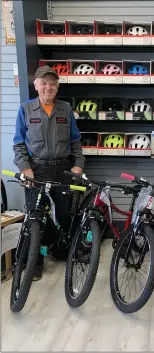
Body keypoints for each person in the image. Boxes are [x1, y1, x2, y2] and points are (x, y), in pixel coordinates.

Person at [13, 66, 85, 281]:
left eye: (52, 84)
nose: (48, 87)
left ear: (57, 86)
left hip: (63, 170)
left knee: (63, 214)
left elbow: (75, 141)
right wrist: (25, 169)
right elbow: (18, 144)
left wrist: (78, 165)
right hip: (37, 170)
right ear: (36, 85)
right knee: (36, 217)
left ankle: (59, 250)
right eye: (44, 83)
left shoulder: (65, 109)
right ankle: (34, 262)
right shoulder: (25, 110)